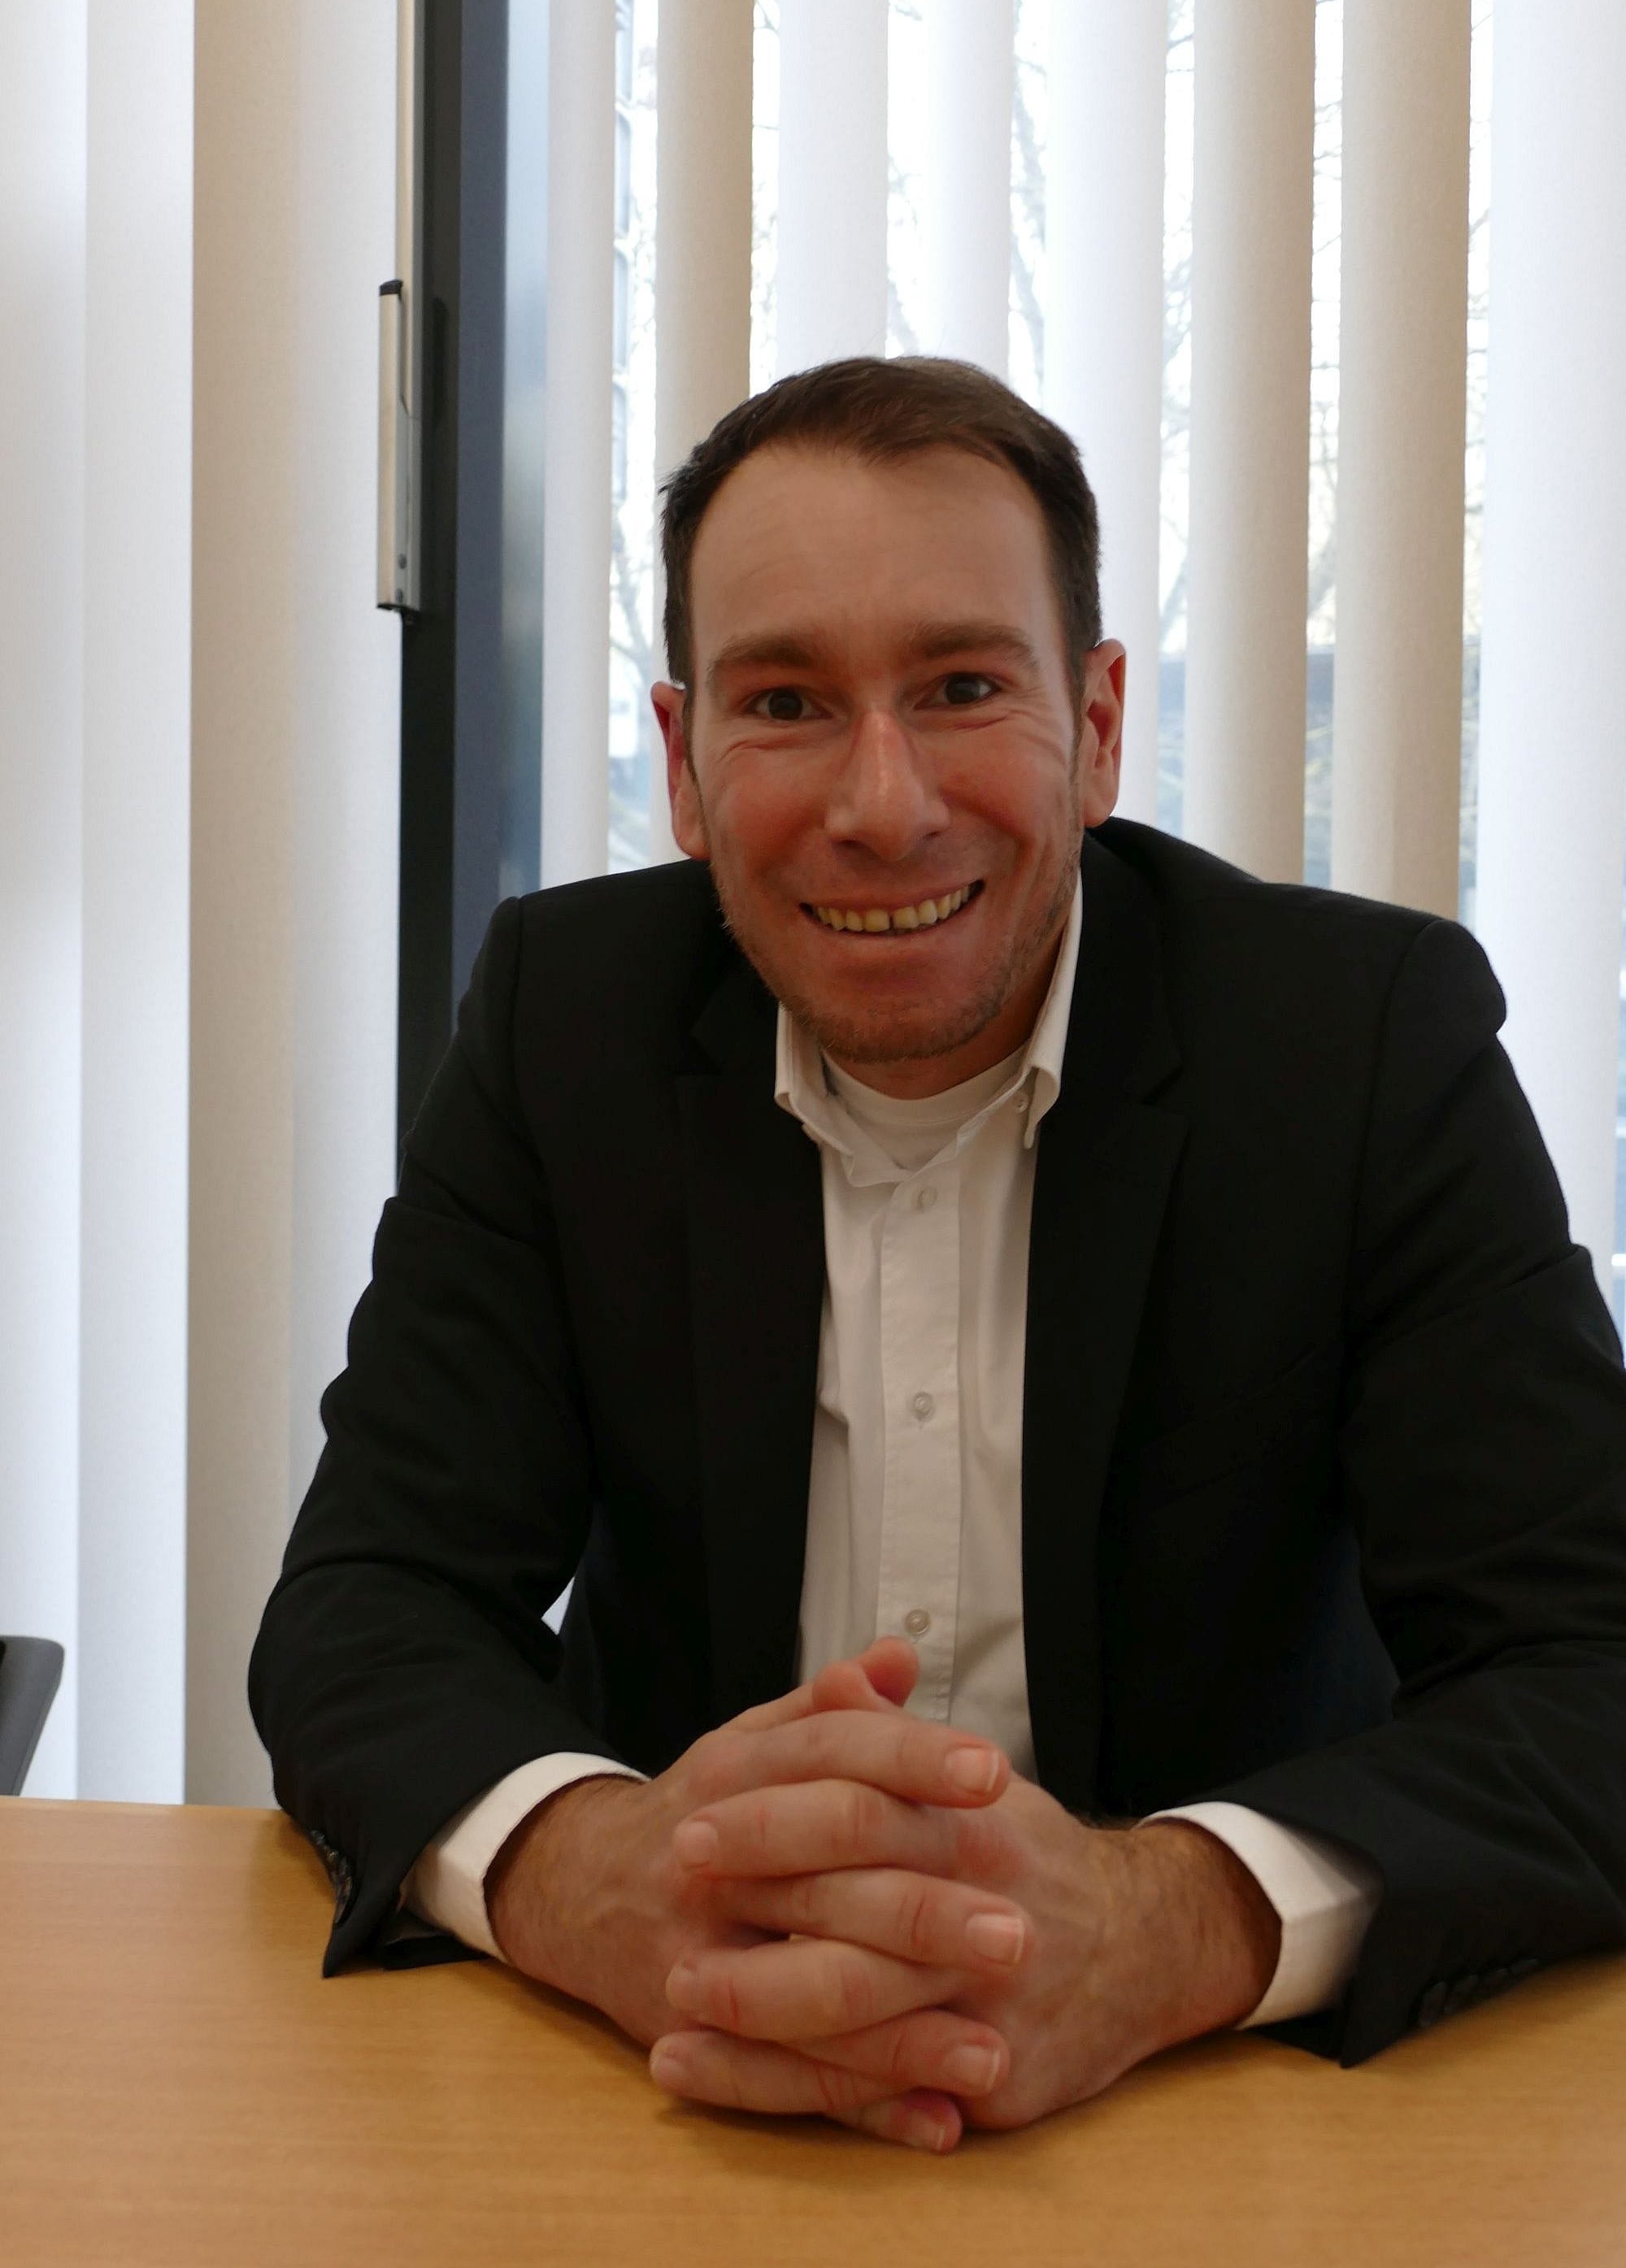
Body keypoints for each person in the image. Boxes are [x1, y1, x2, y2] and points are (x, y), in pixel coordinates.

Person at [250, 356, 1626, 2156]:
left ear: (1100, 724)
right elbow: (367, 1609)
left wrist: (1160, 1927)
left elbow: (1589, 1666)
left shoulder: (1359, 1043)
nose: (883, 804)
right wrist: (598, 1879)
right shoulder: (561, 1022)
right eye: (786, 702)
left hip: (1225, 2124)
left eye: (964, 686)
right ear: (683, 760)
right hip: (667, 2107)